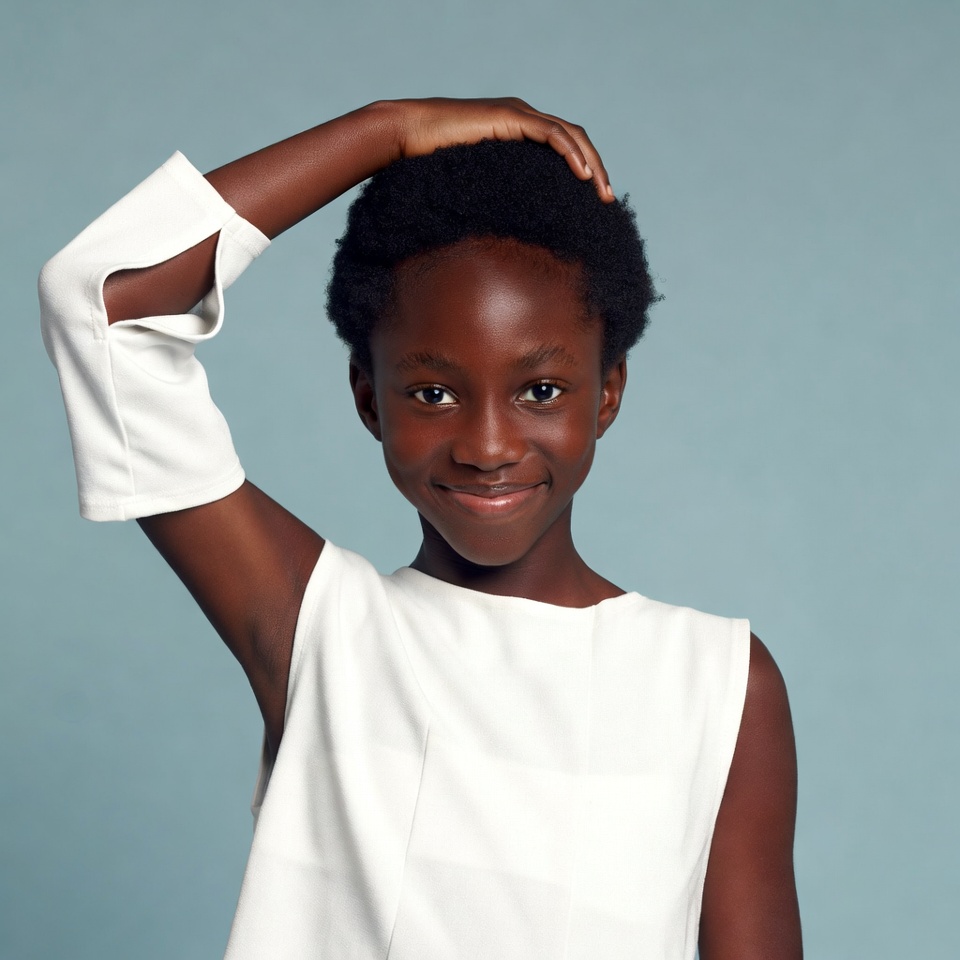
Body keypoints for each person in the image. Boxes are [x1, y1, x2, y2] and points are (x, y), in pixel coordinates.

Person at [39, 98, 802, 959]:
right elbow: (104, 301)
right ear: (369, 399)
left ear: (608, 393)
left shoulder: (718, 683)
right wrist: (387, 130)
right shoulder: (325, 636)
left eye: (540, 391)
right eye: (433, 393)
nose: (487, 447)